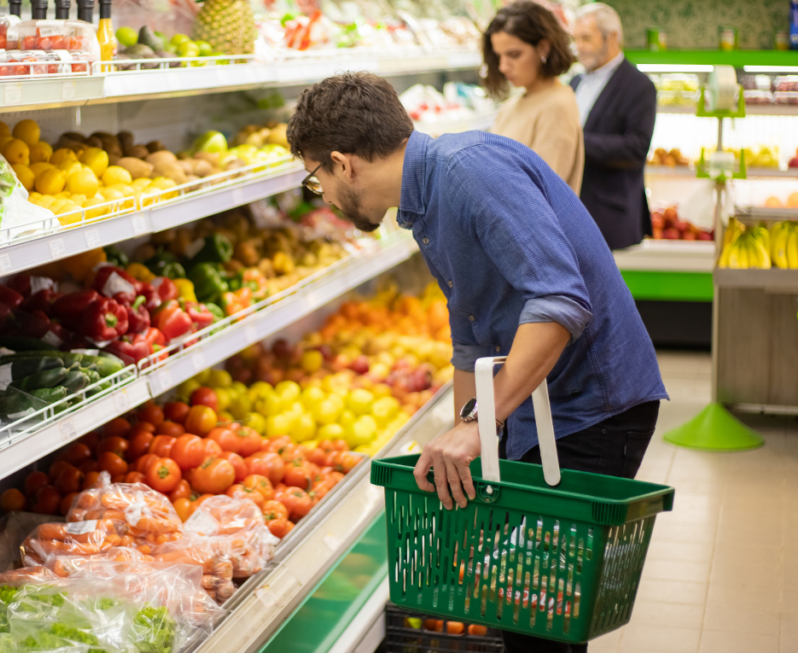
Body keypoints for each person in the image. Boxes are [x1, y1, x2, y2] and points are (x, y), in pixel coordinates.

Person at [286, 72, 667, 653]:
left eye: (317, 180)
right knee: (523, 612)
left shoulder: (469, 171)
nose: (327, 198)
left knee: (543, 622)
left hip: (593, 406)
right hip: (544, 404)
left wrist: (479, 425)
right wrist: (467, 423)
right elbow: (473, 334)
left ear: (343, 163)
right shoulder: (425, 200)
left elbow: (561, 301)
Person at [571, 3, 657, 250]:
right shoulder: (575, 80)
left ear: (612, 37)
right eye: (576, 39)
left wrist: (573, 141)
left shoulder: (639, 86)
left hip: (610, 218)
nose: (579, 47)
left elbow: (636, 148)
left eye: (586, 38)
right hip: (574, 212)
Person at [484, 0, 584, 194]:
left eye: (514, 54)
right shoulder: (512, 105)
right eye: (499, 56)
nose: (503, 66)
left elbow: (537, 194)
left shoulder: (557, 106)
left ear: (543, 48)